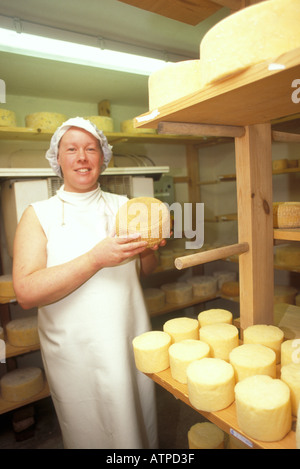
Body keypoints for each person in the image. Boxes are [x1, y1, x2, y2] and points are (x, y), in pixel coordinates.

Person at [12, 117, 165, 449]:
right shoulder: (38, 214)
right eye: (72, 149)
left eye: (90, 149)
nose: (81, 157)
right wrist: (96, 258)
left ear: (102, 158)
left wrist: (151, 248)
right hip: (75, 351)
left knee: (136, 423)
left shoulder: (124, 206)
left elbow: (146, 269)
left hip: (128, 335)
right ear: (58, 159)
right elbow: (25, 293)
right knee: (90, 430)